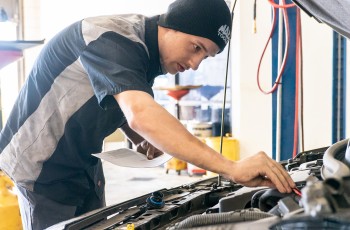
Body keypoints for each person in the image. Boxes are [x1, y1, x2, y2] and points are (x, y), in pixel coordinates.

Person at [0, 0, 296, 229]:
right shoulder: (113, 39)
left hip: (83, 160)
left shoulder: (145, 50)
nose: (195, 63)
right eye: (196, 48)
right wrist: (230, 168)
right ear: (172, 26)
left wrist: (134, 134)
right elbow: (140, 113)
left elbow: (108, 95)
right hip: (43, 166)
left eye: (205, 56)